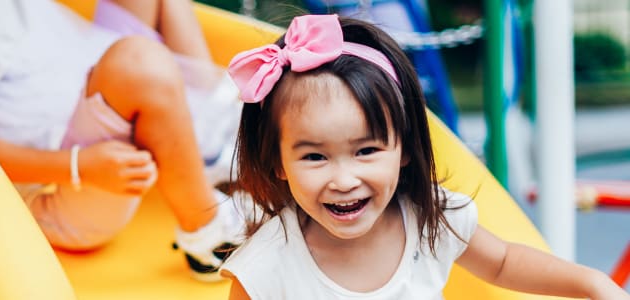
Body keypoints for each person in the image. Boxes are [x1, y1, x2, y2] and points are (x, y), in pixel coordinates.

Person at [219, 14, 630, 299]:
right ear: (278, 162)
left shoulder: (429, 218)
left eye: (366, 151)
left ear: (404, 149)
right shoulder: (267, 268)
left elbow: (503, 262)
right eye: (314, 157)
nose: (343, 179)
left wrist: (590, 282)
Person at [0, 0, 244, 282]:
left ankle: (210, 124)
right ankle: (209, 233)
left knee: (137, 58)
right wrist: (78, 167)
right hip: (68, 180)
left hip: (84, 75)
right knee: (139, 62)